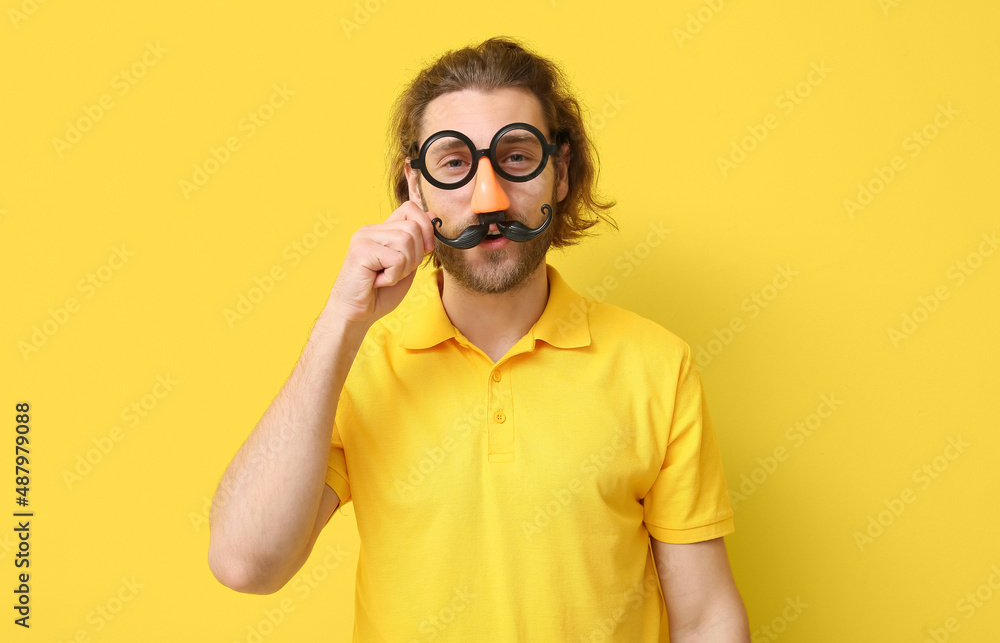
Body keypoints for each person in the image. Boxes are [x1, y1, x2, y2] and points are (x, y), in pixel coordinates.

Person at [208, 36, 751, 642]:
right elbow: (246, 565)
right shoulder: (358, 366)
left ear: (560, 172)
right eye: (454, 164)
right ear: (416, 189)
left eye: (517, 157)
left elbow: (706, 619)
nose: (489, 199)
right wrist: (341, 320)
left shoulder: (656, 366)